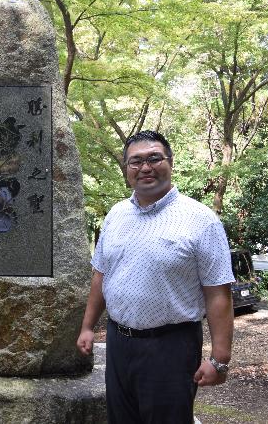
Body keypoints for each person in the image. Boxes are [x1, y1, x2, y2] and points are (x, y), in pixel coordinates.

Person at [76, 130, 235, 423]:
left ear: (170, 162)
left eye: (154, 158)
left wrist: (219, 359)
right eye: (136, 162)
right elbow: (101, 274)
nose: (145, 167)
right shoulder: (115, 215)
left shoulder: (200, 219)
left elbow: (218, 292)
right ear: (126, 169)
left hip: (171, 346)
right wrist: (87, 327)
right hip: (119, 341)